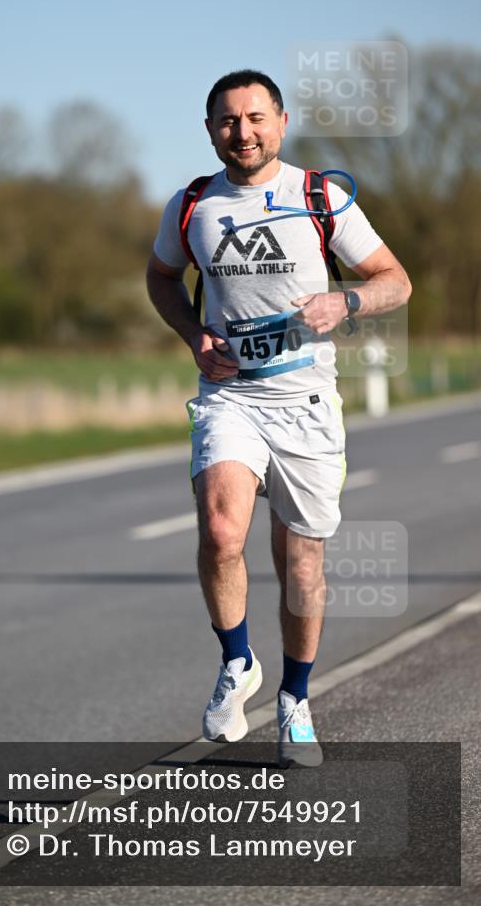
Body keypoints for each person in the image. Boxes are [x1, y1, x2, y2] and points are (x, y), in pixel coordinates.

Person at [146, 69, 411, 766]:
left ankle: (294, 698)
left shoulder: (319, 196)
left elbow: (395, 281)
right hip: (230, 396)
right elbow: (160, 278)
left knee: (300, 565)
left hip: (305, 399)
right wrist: (192, 335)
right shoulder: (191, 205)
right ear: (209, 130)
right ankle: (236, 662)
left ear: (280, 121)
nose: (243, 132)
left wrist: (344, 304)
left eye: (255, 118)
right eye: (228, 121)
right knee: (220, 527)